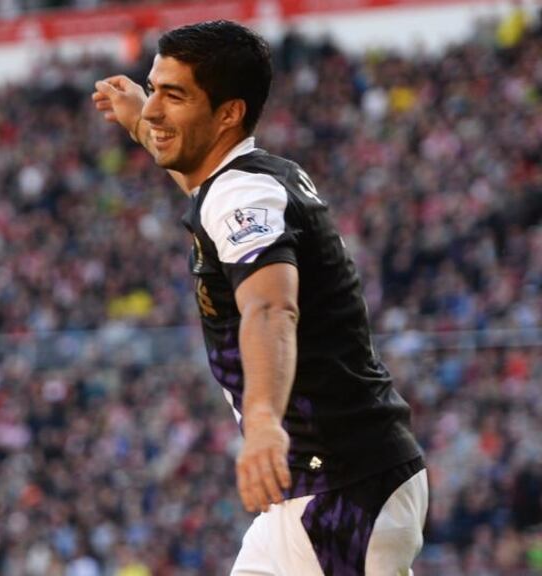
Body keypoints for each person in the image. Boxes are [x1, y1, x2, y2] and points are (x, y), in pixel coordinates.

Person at [92, 20, 427, 575]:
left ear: (229, 114)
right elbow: (201, 182)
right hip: (331, 480)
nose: (153, 109)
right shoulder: (254, 176)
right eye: (154, 89)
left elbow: (272, 307)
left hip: (336, 485)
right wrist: (137, 121)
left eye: (174, 97)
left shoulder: (241, 194)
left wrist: (266, 420)